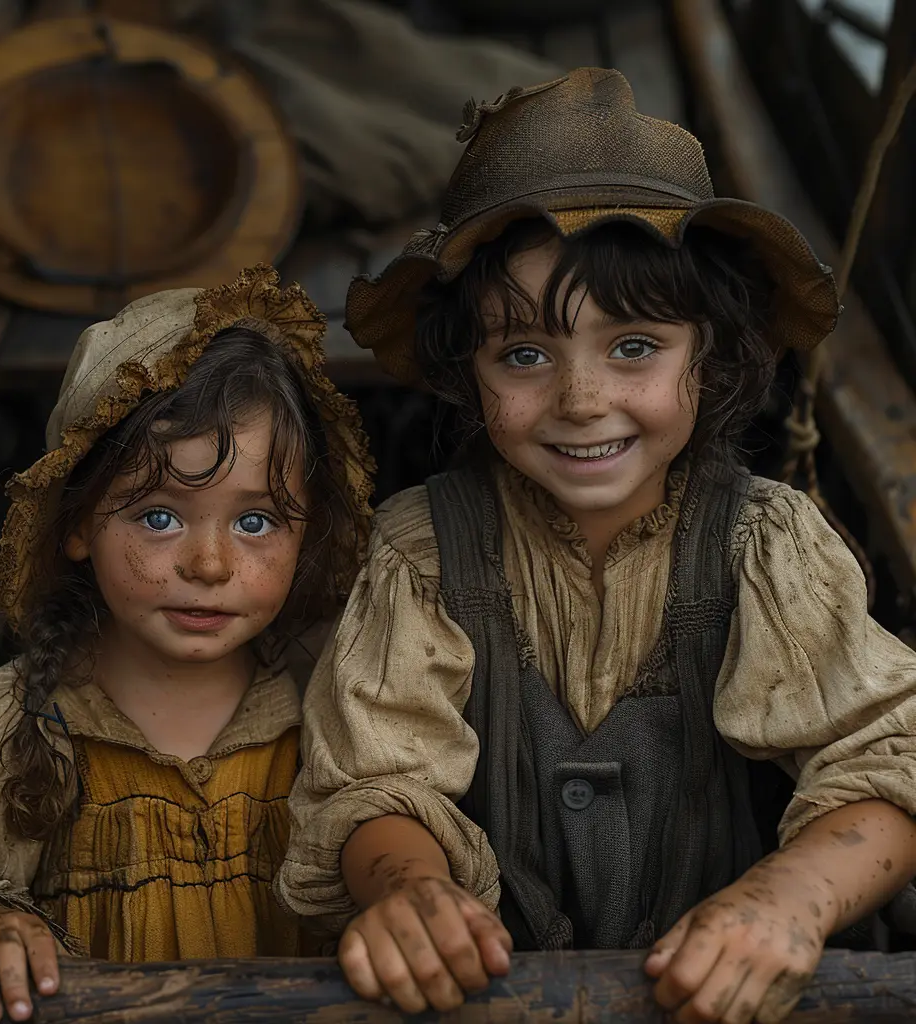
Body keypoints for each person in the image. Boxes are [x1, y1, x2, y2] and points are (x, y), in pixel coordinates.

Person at [275, 70, 916, 1024]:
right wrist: (407, 890)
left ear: (712, 353)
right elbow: (374, 780)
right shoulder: (421, 551)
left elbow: (889, 758)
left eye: (635, 347)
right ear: (467, 371)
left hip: (730, 999)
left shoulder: (764, 541)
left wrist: (791, 900)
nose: (581, 401)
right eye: (524, 355)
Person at [0, 267, 373, 1024]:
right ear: (78, 524)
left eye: (255, 521)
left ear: (307, 529)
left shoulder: (331, 715)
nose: (209, 566)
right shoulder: (16, 728)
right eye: (158, 517)